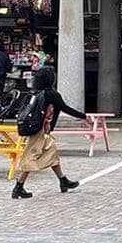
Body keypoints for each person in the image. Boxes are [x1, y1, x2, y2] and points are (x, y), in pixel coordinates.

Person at [12, 67, 86, 199]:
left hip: (38, 128)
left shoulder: (35, 93)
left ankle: (63, 180)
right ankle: (19, 187)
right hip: (40, 130)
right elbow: (65, 108)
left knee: (52, 152)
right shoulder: (52, 94)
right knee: (31, 156)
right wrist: (84, 116)